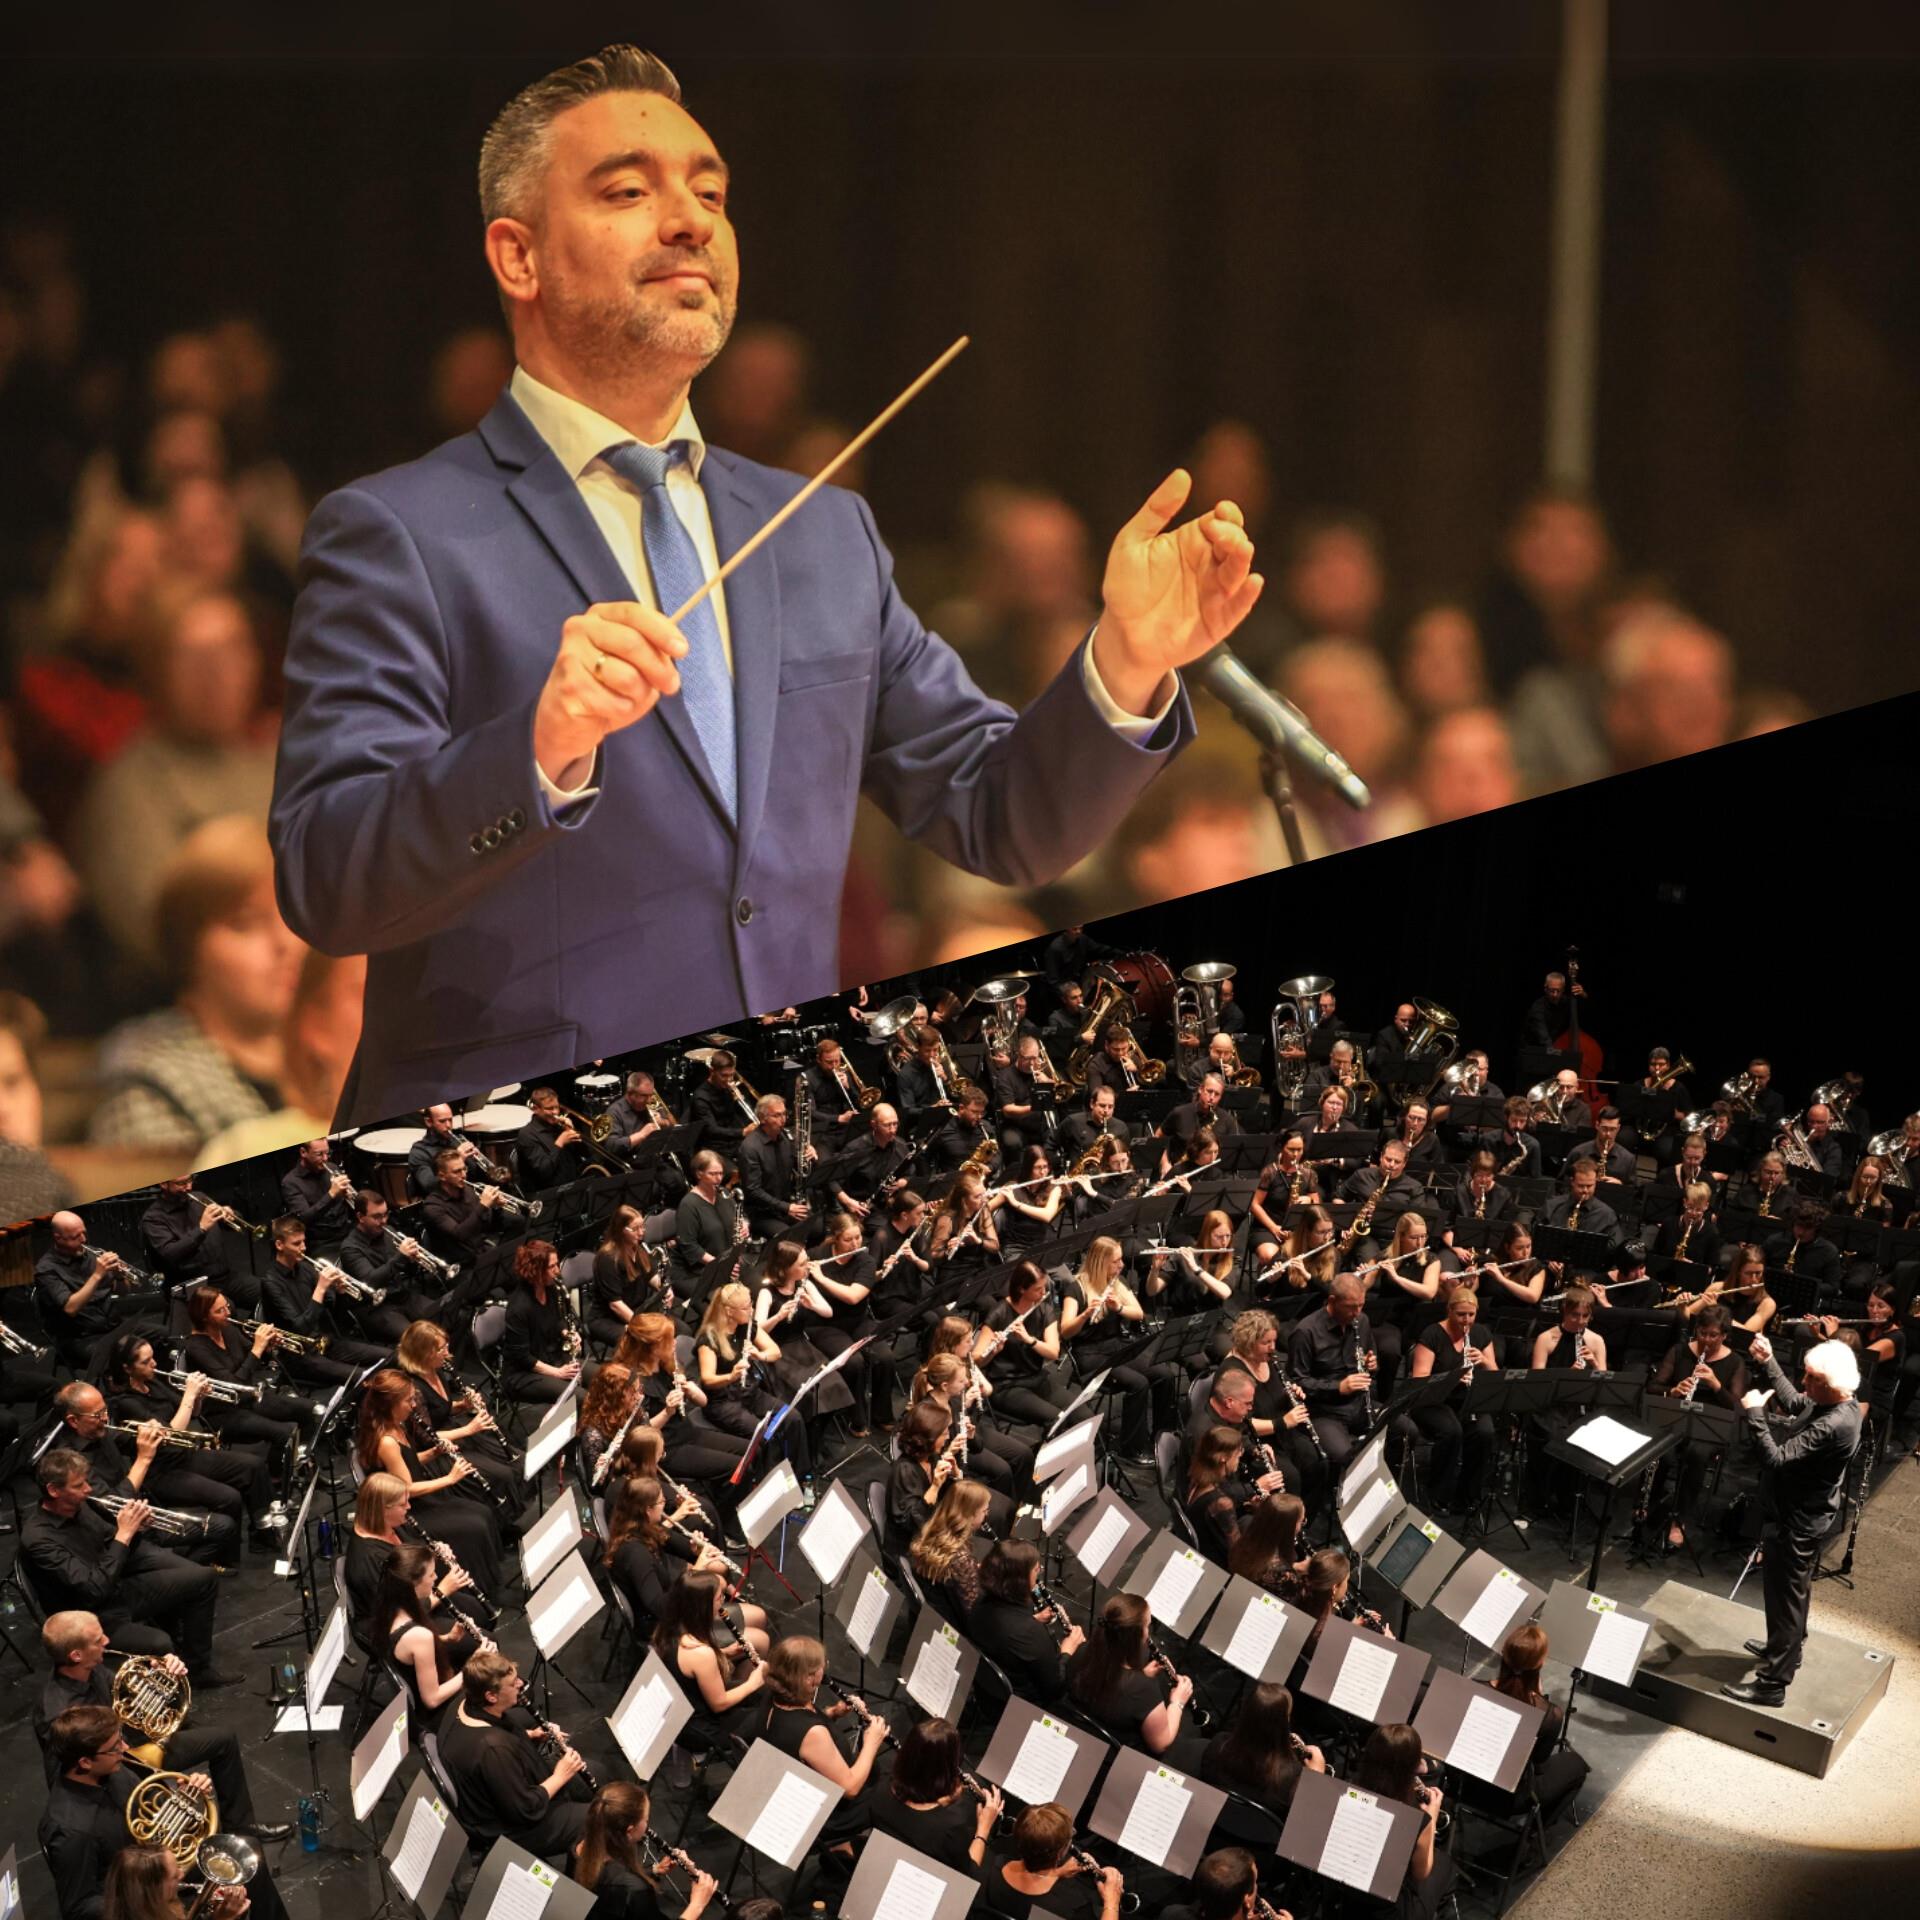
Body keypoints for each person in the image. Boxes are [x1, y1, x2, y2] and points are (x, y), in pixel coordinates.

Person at [268, 47, 1279, 1125]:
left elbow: (1003, 817)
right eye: (629, 191)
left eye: (711, 194)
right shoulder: (399, 533)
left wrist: (1128, 658)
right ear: (518, 257)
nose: (690, 221)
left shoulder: (826, 535)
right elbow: (327, 879)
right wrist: (539, 748)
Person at [88, 817, 304, 1153]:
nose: (286, 943)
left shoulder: (345, 1054)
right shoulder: (149, 1090)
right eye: (245, 924)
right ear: (188, 948)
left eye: (295, 914)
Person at [33, 1612, 291, 1844]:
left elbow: (132, 1696)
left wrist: (160, 1674)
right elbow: (72, 1775)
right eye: (98, 1640)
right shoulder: (56, 1713)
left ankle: (242, 1829)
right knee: (179, 1822)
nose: (107, 1641)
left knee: (223, 1740)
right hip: (113, 1773)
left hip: (133, 1749)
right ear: (76, 1655)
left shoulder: (93, 1669)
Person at [41, 1706, 290, 1920]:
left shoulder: (112, 1770)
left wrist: (184, 1797)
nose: (125, 1748)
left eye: (121, 1739)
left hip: (162, 1864)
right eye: (114, 1747)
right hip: (140, 1897)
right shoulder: (71, 1831)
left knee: (245, 1853)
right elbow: (78, 1907)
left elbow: (152, 1804)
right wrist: (148, 1895)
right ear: (85, 1762)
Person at [1723, 1335, 1864, 1707]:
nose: (1804, 1382)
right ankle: (1786, 1649)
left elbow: (1776, 1459)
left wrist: (1755, 1413)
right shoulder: (1833, 1403)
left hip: (1797, 1521)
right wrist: (1769, 1362)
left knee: (1785, 1598)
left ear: (1830, 1384)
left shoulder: (1834, 1424)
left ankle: (1773, 1684)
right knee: (1792, 1593)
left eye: (1811, 1377)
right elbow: (1796, 1402)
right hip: (1800, 1514)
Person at [21, 1450, 230, 1685]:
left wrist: (137, 1527)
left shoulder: (81, 1507)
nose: (88, 1489)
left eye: (86, 1481)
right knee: (160, 1642)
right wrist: (124, 1534)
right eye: (79, 1485)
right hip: (91, 1617)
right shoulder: (39, 1540)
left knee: (204, 1578)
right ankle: (164, 1696)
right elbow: (93, 1590)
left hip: (117, 1589)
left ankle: (197, 1669)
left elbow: (115, 1546)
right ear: (53, 1490)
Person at [440, 1650, 593, 1853]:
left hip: (511, 1784)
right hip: (512, 1828)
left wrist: (531, 1735)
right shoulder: (493, 1749)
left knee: (598, 1772)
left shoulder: (466, 1702)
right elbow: (525, 1809)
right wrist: (560, 1775)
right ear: (491, 1696)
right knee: (597, 1819)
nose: (521, 1684)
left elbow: (498, 1737)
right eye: (512, 1684)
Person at [1066, 1593, 1199, 1763]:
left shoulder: (1081, 1651)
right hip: (1114, 1755)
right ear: (1136, 1637)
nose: (1148, 1633)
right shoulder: (1142, 1690)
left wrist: (1140, 1675)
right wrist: (1177, 1702)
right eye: (1147, 1626)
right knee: (1190, 1732)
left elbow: (1112, 1681)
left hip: (1081, 1730)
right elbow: (1160, 1744)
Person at [870, 1715, 1004, 1875]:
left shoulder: (880, 1789)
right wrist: (984, 1828)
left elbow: (915, 1818)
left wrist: (944, 1802)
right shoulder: (949, 1829)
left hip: (889, 1858)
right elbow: (969, 1871)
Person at [571, 1779, 721, 1920]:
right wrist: (697, 1905)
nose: (647, 1825)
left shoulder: (580, 1845)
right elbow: (619, 1888)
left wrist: (654, 1871)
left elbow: (606, 1885)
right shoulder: (635, 1890)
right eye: (646, 1820)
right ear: (630, 1831)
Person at [374, 1540, 487, 1724]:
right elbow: (432, 1699)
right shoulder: (419, 1636)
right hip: (438, 1716)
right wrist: (474, 1666)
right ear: (413, 1584)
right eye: (431, 1574)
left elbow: (408, 1652)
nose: (436, 1578)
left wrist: (447, 1638)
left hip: (429, 1685)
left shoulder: (390, 1606)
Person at [1491, 1623, 1589, 1824]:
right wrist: (1538, 1698)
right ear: (1541, 1663)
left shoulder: (1473, 1688)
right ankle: (1535, 1835)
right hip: (1508, 1799)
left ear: (1503, 1654)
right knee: (1576, 1765)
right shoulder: (1549, 1715)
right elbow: (1539, 1765)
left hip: (1461, 1785)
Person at [1350, 1722, 1450, 1918]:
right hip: (1388, 1910)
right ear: (1414, 1767)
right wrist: (1431, 1819)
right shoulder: (1417, 1819)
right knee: (1445, 1866)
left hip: (1344, 1896)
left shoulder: (1347, 1791)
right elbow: (1421, 1873)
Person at [969, 1539, 1085, 1703]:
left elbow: (1005, 1630)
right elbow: (1054, 1689)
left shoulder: (980, 1602)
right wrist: (1067, 1651)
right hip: (1023, 1701)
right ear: (1021, 1580)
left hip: (990, 1688)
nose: (1039, 1571)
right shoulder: (1030, 1633)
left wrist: (1033, 1619)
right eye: (1036, 1569)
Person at [978, 1801, 1125, 1920]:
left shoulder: (991, 1864)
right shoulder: (1067, 1909)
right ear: (1060, 1854)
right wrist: (1112, 1902)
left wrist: (1057, 1873)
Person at [1200, 1682, 1323, 1817]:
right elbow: (1304, 1816)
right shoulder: (1292, 1776)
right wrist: (1315, 1777)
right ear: (1283, 1724)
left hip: (1217, 1818)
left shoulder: (1218, 1745)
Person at [504, 1237, 584, 1406]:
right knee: (581, 1398)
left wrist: (568, 1334)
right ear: (536, 1270)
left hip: (553, 1357)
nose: (557, 1271)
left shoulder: (551, 1289)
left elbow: (557, 1320)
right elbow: (522, 1357)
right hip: (525, 1374)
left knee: (603, 1377)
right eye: (551, 1267)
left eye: (557, 1264)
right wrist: (557, 1373)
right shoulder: (518, 1307)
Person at [909, 1478, 993, 1626]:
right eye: (984, 1511)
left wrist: (972, 1571)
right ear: (970, 1515)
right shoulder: (960, 1559)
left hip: (938, 1607)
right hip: (957, 1625)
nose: (986, 1516)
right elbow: (974, 1614)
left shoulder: (932, 1530)